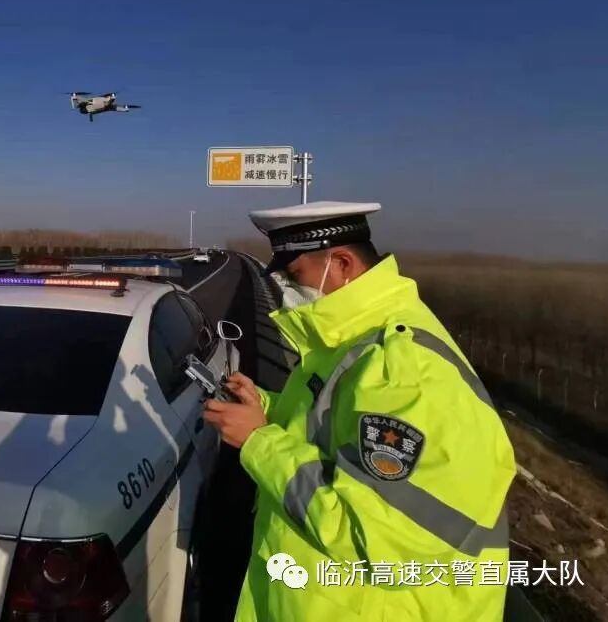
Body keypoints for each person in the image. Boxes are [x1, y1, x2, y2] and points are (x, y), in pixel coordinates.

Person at [203, 201, 515, 621]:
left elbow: (372, 536)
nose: (288, 288)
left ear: (342, 264)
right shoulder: (354, 339)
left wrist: (259, 441)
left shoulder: (402, 372)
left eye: (295, 275)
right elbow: (332, 425)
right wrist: (266, 408)